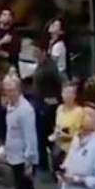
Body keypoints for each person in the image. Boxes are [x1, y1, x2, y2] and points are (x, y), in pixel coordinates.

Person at [3, 75, 41, 189]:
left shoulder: (25, 110)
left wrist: (29, 160)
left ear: (19, 90)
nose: (9, 93)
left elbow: (30, 137)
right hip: (14, 156)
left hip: (22, 159)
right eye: (7, 90)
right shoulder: (12, 105)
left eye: (12, 90)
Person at [44, 83, 85, 189]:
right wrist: (56, 134)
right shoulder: (60, 109)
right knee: (61, 182)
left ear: (75, 96)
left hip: (72, 152)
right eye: (64, 93)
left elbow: (81, 133)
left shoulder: (80, 112)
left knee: (65, 184)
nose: (67, 96)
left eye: (70, 93)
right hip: (59, 148)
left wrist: (67, 136)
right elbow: (57, 127)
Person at [31, 45, 63, 176]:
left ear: (44, 52)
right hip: (40, 103)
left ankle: (47, 163)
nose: (35, 55)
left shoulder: (50, 67)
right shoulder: (41, 65)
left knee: (43, 134)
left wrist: (53, 99)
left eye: (37, 52)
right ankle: (44, 162)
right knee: (42, 135)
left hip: (47, 105)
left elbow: (58, 84)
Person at [46, 18, 69, 83]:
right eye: (53, 23)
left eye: (56, 25)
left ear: (61, 31)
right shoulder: (51, 42)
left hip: (59, 75)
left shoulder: (58, 45)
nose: (52, 25)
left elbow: (52, 62)